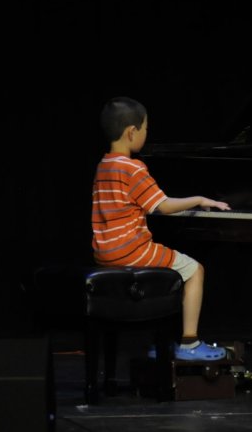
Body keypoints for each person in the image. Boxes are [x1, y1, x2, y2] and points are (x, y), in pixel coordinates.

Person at [91, 96, 228, 361]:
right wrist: (200, 199)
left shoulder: (103, 165)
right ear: (132, 132)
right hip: (132, 251)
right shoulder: (133, 167)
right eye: (145, 130)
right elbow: (162, 206)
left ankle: (162, 342)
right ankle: (189, 343)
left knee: (172, 270)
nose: (145, 135)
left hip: (104, 253)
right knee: (194, 270)